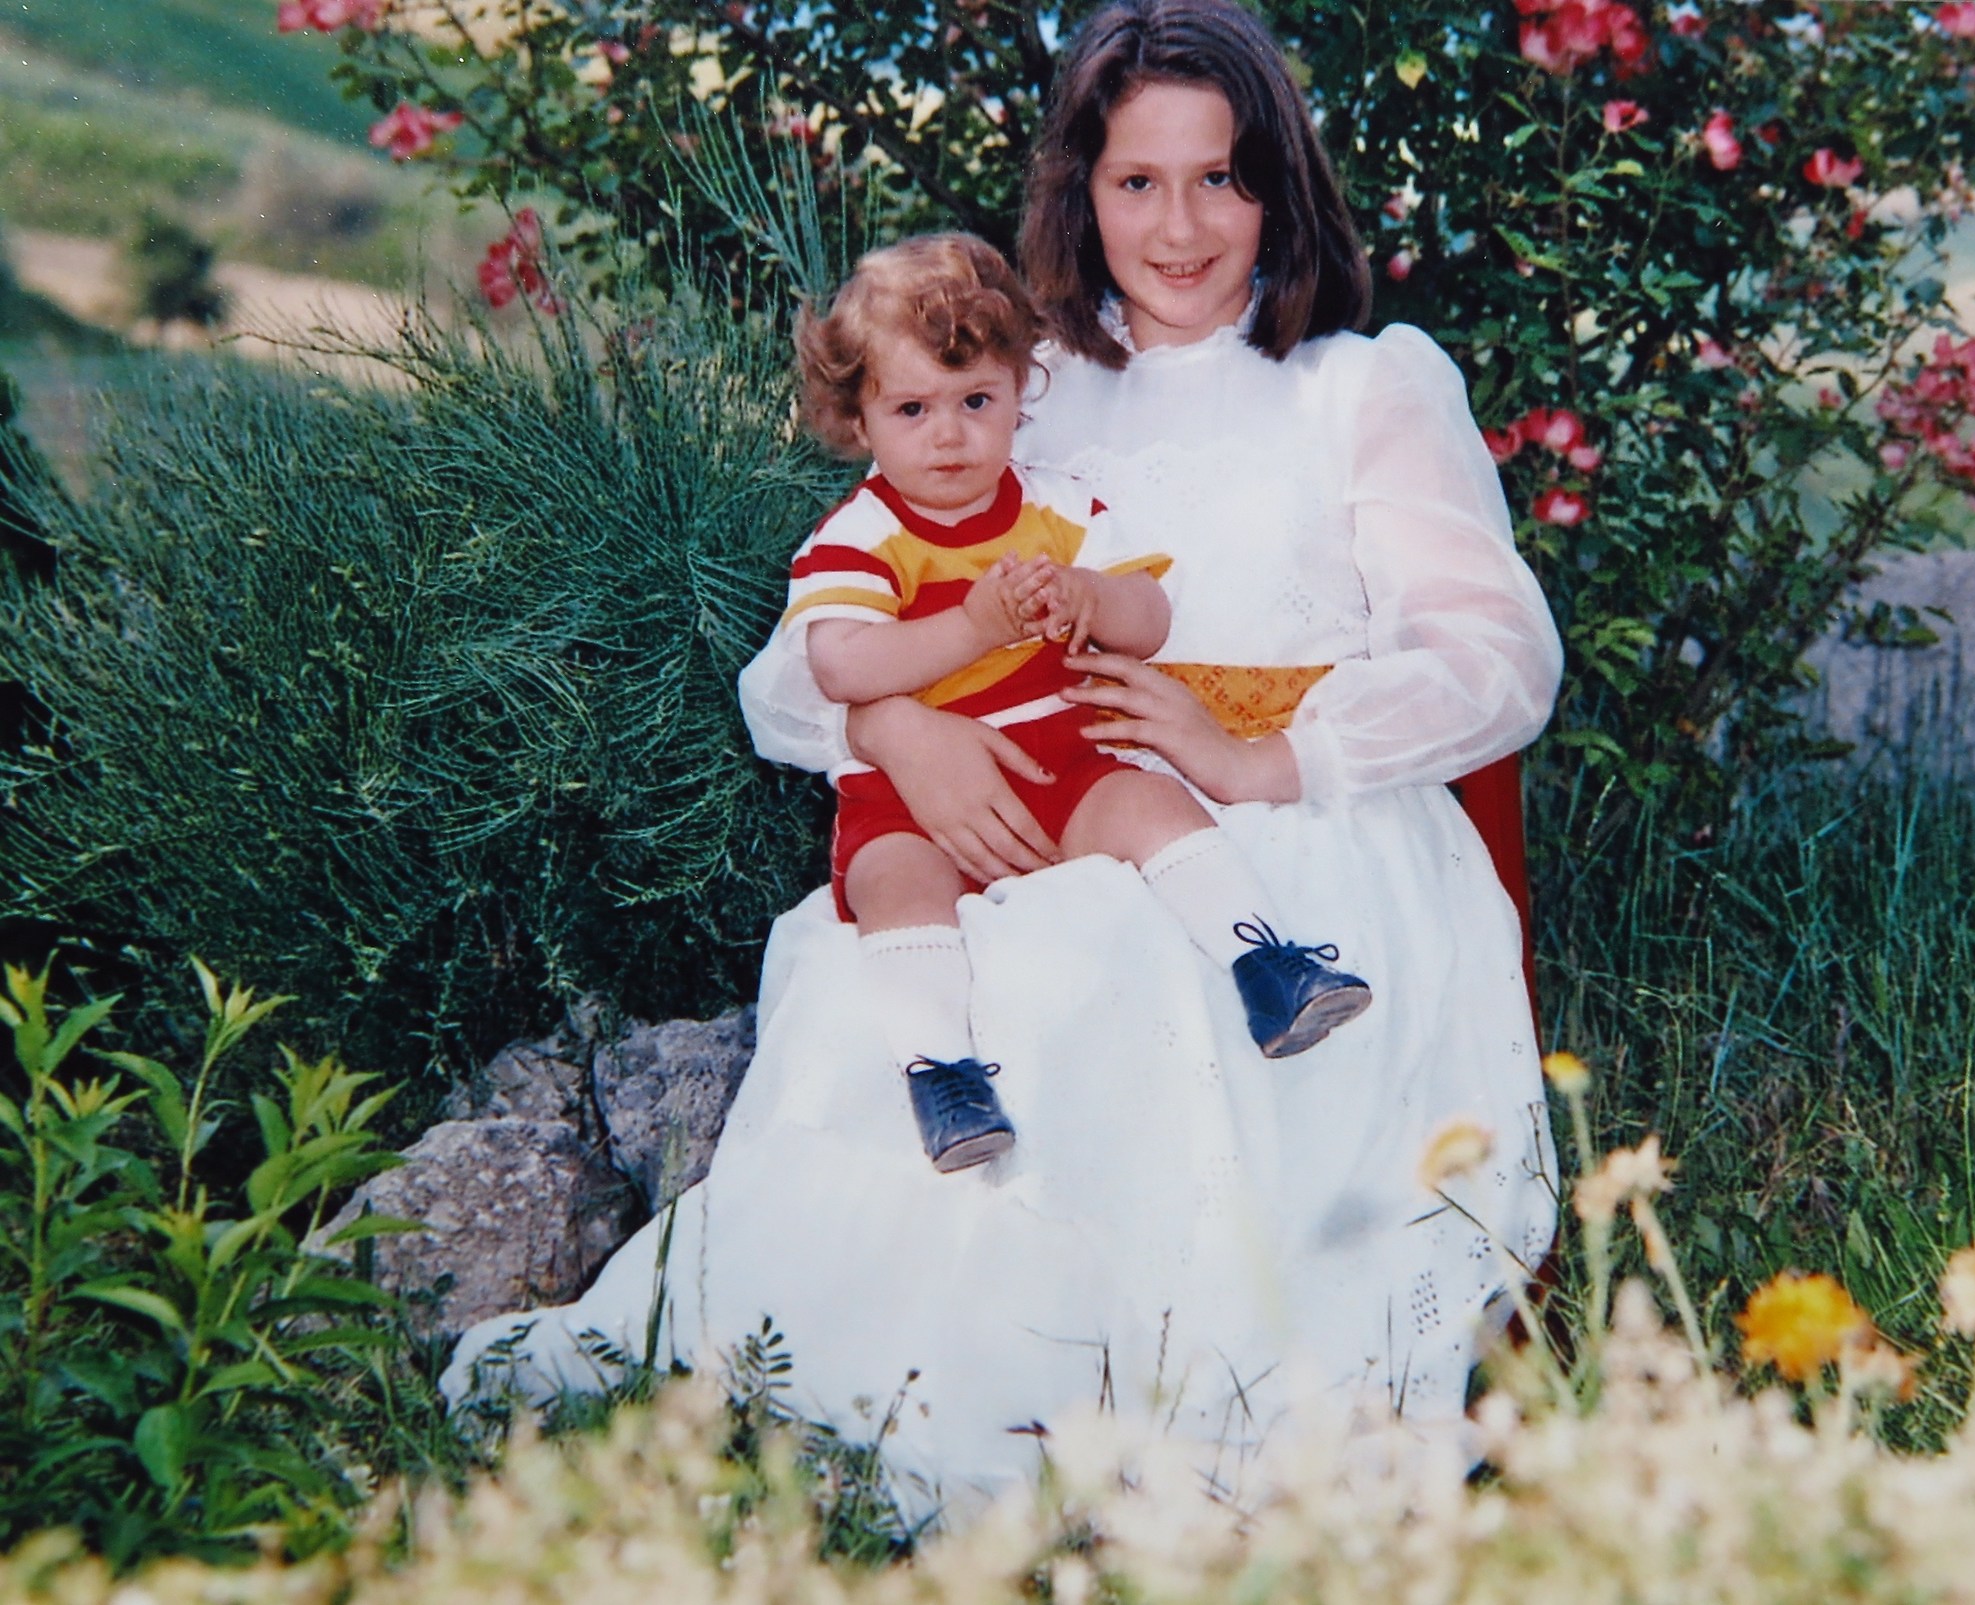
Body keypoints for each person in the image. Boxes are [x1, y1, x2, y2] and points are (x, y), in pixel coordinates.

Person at [444, 0, 1562, 1521]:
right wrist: (897, 723)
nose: (1179, 227)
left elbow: (1502, 662)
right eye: (1136, 182)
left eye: (1221, 179)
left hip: (1291, 830)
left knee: (1131, 975)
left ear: (1280, 190)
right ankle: (932, 1387)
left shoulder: (1358, 385)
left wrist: (1264, 754)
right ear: (1078, 195)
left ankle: (1155, 1398)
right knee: (897, 979)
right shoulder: (1023, 388)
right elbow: (806, 651)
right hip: (1023, 796)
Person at [787, 231, 1371, 1173]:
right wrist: (974, 629)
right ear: (859, 421)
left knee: (1151, 802)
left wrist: (1094, 600)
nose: (950, 434)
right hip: (912, 801)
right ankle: (943, 1074)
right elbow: (843, 665)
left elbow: (1151, 614)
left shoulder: (1056, 507)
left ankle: (1268, 964)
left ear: (1022, 393)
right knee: (891, 887)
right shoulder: (856, 538)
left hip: (1069, 761)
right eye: (913, 408)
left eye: (977, 400)